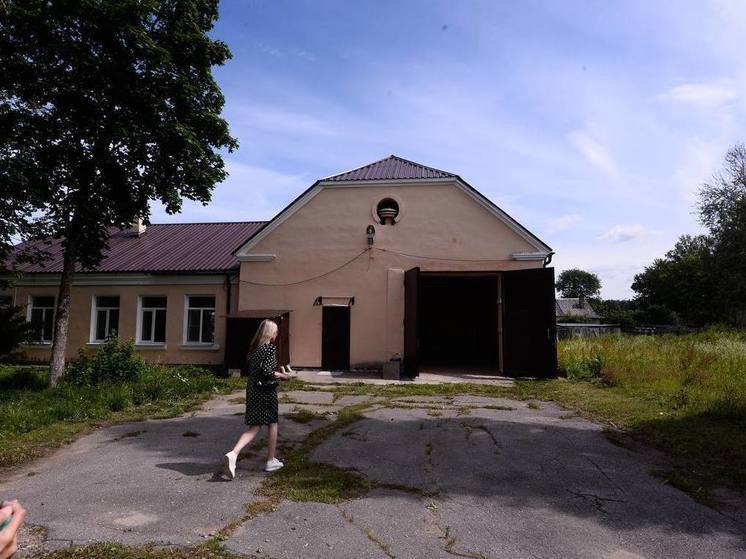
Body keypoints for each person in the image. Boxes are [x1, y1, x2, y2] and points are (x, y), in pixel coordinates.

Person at [223, 319, 292, 479]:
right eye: (275, 331)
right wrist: (282, 375)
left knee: (254, 426)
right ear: (270, 333)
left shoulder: (254, 350)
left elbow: (260, 370)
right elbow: (267, 372)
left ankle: (233, 454)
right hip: (265, 391)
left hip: (253, 389)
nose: (276, 334)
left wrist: (277, 372)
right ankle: (270, 460)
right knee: (273, 423)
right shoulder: (269, 349)